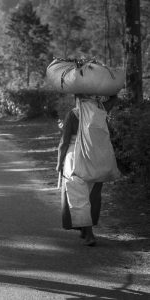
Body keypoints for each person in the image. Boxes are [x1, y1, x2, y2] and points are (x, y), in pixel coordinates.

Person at [56, 94, 118, 246]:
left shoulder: (73, 114)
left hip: (75, 157)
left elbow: (64, 141)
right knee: (93, 196)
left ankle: (89, 233)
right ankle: (85, 229)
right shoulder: (101, 110)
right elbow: (113, 98)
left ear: (78, 98)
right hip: (97, 156)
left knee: (78, 196)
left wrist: (59, 162)